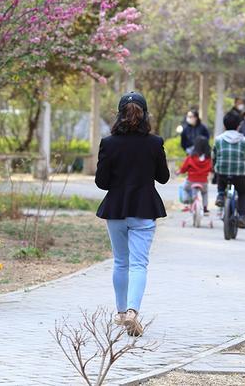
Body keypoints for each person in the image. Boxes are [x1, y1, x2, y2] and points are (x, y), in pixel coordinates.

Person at [95, 91, 169, 337]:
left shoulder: (108, 144)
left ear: (119, 115)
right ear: (146, 115)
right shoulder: (155, 143)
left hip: (116, 209)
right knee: (139, 263)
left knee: (120, 261)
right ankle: (132, 312)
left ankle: (119, 313)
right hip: (144, 209)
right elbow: (163, 177)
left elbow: (101, 182)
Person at [213, 112, 245, 229]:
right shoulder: (243, 140)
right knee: (243, 193)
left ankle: (220, 195)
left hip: (222, 172)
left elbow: (213, 155)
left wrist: (214, 166)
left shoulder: (218, 139)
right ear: (238, 126)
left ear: (224, 126)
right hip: (239, 173)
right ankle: (241, 216)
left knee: (220, 176)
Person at [178, 136, 212, 215]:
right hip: (203, 181)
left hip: (191, 180)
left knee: (185, 188)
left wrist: (180, 171)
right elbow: (211, 168)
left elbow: (184, 168)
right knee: (204, 193)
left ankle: (187, 202)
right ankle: (205, 207)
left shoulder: (191, 157)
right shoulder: (208, 158)